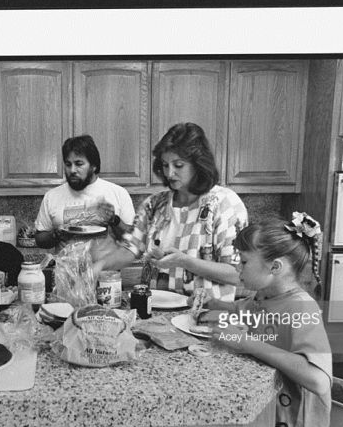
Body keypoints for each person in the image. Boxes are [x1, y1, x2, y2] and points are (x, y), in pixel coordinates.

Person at [93, 122, 248, 301]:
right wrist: (98, 266)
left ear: (198, 164)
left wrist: (184, 261)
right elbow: (130, 248)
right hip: (156, 310)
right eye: (165, 165)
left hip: (206, 314)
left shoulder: (225, 204)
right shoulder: (154, 204)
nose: (170, 173)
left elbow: (237, 273)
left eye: (178, 165)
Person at [206, 213, 332, 427]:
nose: (238, 268)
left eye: (244, 261)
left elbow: (318, 379)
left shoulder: (301, 307)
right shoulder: (264, 295)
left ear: (274, 267)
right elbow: (242, 309)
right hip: (268, 407)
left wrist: (245, 343)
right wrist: (211, 303)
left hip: (296, 424)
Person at [34, 135, 135, 256]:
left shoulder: (117, 193)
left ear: (93, 166)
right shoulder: (52, 196)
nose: (72, 170)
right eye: (68, 164)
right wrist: (55, 235)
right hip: (66, 272)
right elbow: (40, 239)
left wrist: (115, 221)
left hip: (106, 272)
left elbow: (133, 240)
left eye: (79, 164)